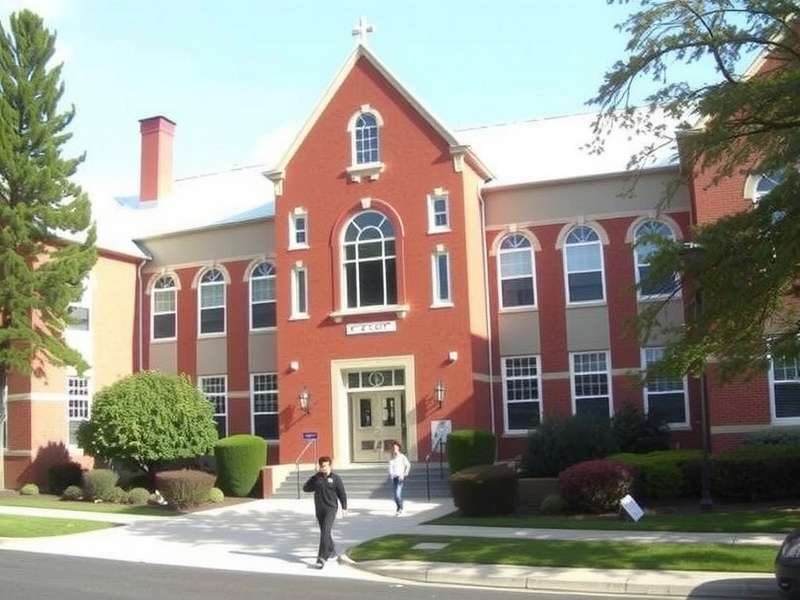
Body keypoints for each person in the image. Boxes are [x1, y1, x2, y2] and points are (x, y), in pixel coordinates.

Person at [303, 456, 348, 569]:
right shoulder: (317, 478)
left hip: (331, 509)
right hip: (319, 509)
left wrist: (344, 507)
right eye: (322, 466)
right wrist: (314, 478)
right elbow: (306, 488)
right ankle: (331, 548)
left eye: (326, 466)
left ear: (330, 466)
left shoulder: (336, 478)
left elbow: (342, 493)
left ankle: (322, 558)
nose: (324, 468)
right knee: (325, 532)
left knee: (325, 532)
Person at [388, 441, 411, 515]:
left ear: (398, 448)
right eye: (393, 448)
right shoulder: (392, 458)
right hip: (394, 478)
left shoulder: (402, 456)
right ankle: (398, 508)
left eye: (395, 447)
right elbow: (390, 468)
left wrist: (405, 474)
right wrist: (391, 475)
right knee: (395, 496)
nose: (394, 449)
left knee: (398, 494)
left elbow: (408, 465)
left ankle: (400, 508)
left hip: (400, 478)